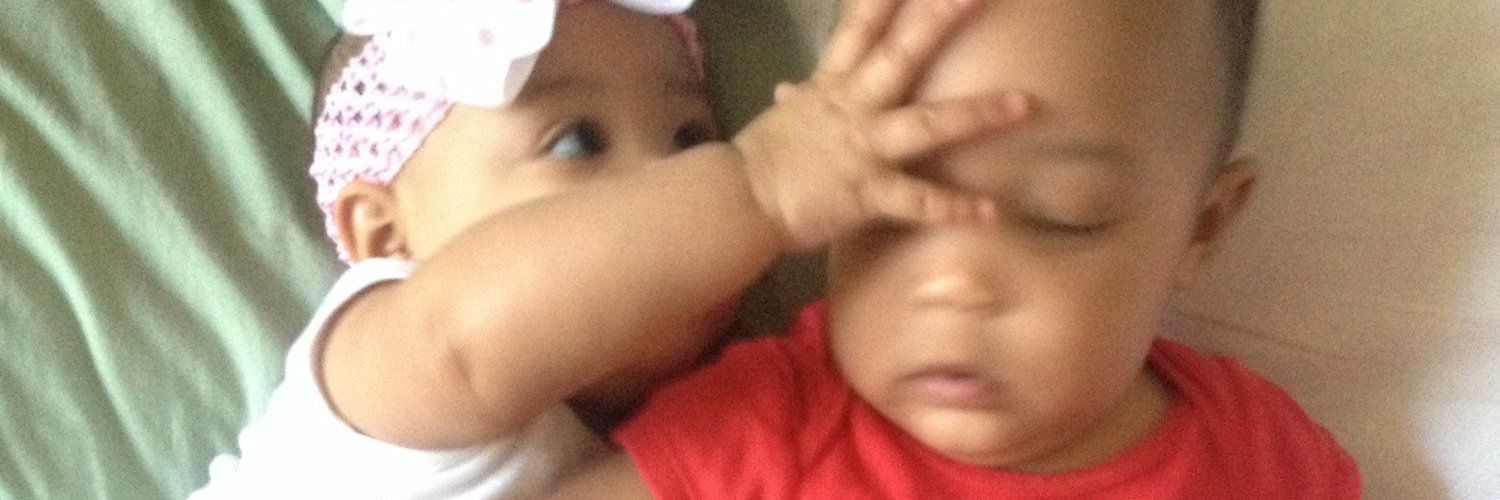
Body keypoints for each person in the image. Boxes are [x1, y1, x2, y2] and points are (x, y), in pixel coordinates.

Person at [191, 0, 1027, 497]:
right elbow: (460, 348)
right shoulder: (376, 373)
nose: (673, 183)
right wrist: (760, 187)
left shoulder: (702, 425)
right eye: (575, 141)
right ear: (384, 234)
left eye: (692, 138)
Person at [550, 0, 1364, 498]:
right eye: (887, 201)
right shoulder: (765, 427)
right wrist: (750, 191)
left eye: (1062, 216)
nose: (957, 281)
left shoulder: (1261, 455)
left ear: (1202, 226)